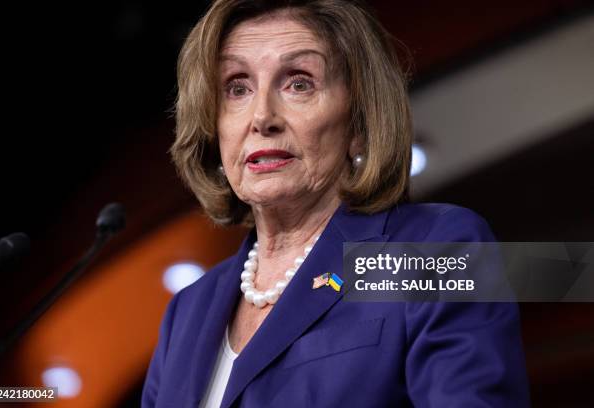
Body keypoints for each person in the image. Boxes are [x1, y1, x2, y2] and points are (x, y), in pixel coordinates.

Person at [142, 0, 530, 407]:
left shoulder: (432, 251)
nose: (261, 117)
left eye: (299, 83)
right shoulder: (187, 311)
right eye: (237, 87)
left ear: (359, 123)